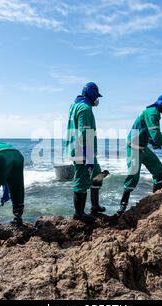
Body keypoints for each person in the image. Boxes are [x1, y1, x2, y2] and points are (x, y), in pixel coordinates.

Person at [66, 82, 106, 223]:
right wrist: (89, 158)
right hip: (82, 151)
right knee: (81, 181)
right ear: (91, 95)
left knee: (98, 175)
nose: (97, 99)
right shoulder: (85, 108)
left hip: (78, 148)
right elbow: (85, 133)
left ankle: (94, 206)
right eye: (96, 96)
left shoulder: (75, 105)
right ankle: (79, 214)